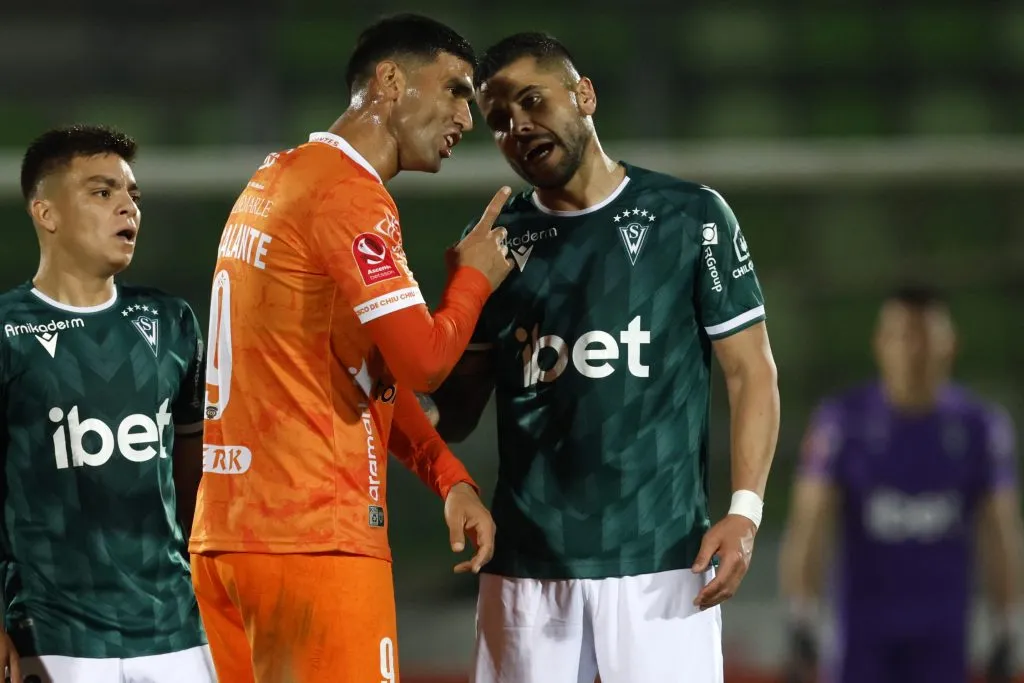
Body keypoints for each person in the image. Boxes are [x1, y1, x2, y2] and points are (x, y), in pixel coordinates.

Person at [429, 33, 781, 683]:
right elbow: (454, 415)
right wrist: (463, 295)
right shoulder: (493, 244)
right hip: (527, 570)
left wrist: (745, 510)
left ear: (584, 94)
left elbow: (751, 369)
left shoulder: (691, 217)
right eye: (499, 119)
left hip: (664, 564)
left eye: (533, 100)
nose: (517, 126)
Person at [188, 13, 511, 683]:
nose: (467, 116)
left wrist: (447, 474)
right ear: (389, 82)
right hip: (315, 540)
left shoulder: (274, 179)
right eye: (454, 89)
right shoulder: (350, 195)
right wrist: (473, 279)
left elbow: (364, 370)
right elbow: (425, 361)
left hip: (228, 540)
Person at [0, 125, 213, 683]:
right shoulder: (6, 330)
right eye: (102, 191)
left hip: (173, 631)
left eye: (131, 194)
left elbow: (195, 481)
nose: (128, 207)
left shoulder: (173, 323)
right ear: (46, 213)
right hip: (53, 636)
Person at [779, 285, 1023, 683]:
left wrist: (1008, 623)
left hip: (942, 637)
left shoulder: (980, 428)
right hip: (861, 637)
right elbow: (810, 525)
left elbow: (1000, 532)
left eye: (925, 337)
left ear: (950, 344)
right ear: (880, 343)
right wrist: (801, 618)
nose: (913, 351)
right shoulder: (841, 423)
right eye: (902, 336)